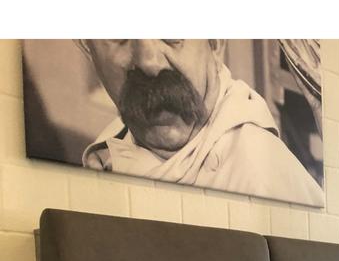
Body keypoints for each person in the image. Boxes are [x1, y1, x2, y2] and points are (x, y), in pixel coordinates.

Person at [78, 40, 325, 207]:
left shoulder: (262, 185)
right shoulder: (109, 150)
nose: (148, 61)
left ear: (215, 42)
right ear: (87, 47)